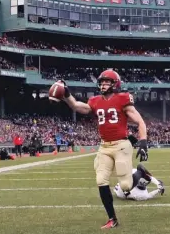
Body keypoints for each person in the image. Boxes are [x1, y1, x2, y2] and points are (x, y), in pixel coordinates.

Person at [57, 69, 148, 229]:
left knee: (126, 186)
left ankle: (141, 173)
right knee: (101, 180)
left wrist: (143, 142)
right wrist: (66, 95)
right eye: (102, 82)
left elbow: (140, 121)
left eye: (107, 81)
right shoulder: (95, 100)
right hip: (104, 146)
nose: (103, 84)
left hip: (121, 145)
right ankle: (112, 219)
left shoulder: (123, 98)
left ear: (115, 84)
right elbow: (77, 106)